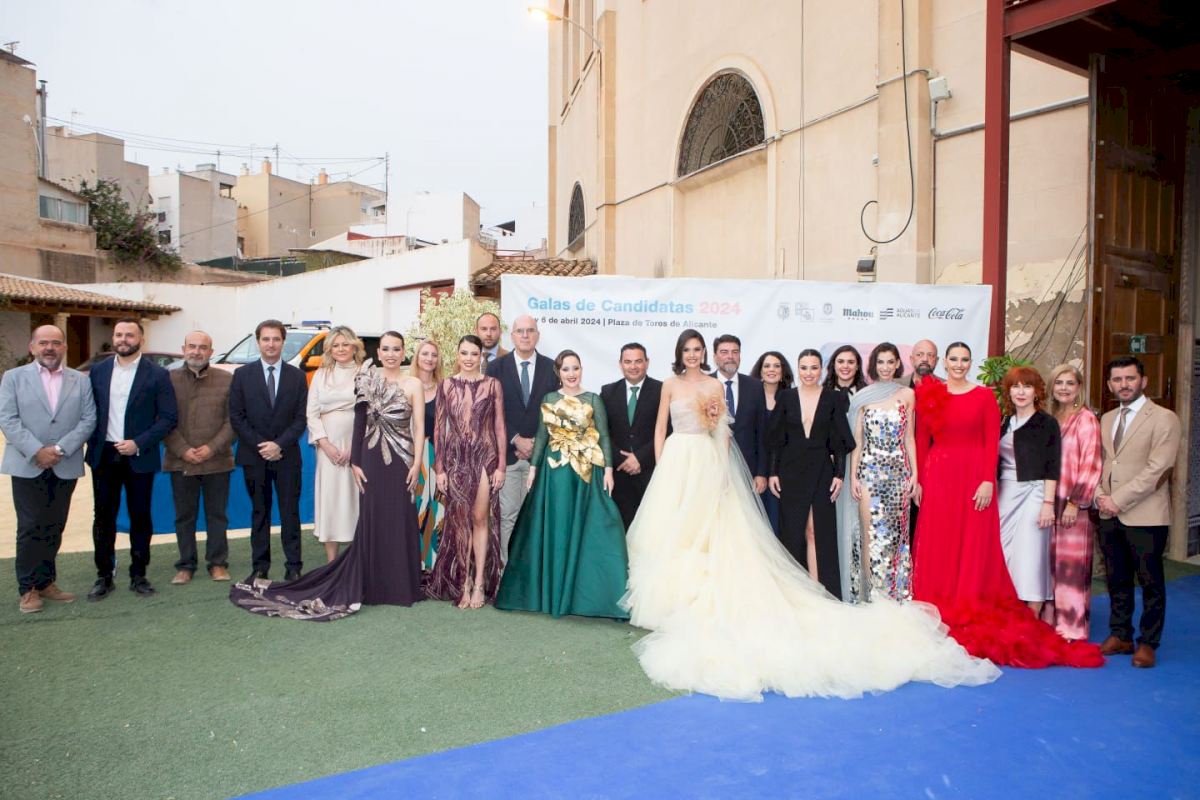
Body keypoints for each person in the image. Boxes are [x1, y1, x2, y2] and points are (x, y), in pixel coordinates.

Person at [621, 329, 999, 702]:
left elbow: (727, 433)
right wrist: (664, 465)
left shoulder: (722, 388)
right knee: (676, 531)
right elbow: (662, 428)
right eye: (687, 349)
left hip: (726, 465)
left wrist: (726, 469)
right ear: (680, 353)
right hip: (679, 464)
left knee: (719, 532)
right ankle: (675, 603)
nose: (692, 354)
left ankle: (803, 593)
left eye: (696, 349)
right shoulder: (671, 385)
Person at [911, 342, 1102, 668]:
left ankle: (977, 599)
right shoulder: (930, 393)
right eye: (953, 359)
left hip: (975, 477)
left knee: (975, 542)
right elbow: (921, 439)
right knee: (940, 540)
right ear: (944, 362)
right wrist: (919, 479)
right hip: (938, 475)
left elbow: (990, 442)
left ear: (971, 362)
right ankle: (938, 603)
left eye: (965, 359)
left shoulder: (984, 396)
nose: (959, 364)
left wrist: (987, 479)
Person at [230, 331, 426, 619]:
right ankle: (373, 582)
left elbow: (418, 426)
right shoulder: (366, 378)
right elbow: (359, 419)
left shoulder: (410, 383)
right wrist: (356, 460)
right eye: (386, 349)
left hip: (402, 458)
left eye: (396, 349)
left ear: (404, 351)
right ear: (379, 352)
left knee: (400, 515)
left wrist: (417, 462)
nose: (391, 354)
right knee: (370, 517)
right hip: (368, 457)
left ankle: (402, 583)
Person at [496, 350, 629, 619]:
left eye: (575, 368)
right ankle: (552, 592)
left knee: (587, 525)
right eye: (566, 369)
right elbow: (542, 436)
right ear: (559, 372)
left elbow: (603, 436)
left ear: (581, 370)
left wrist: (608, 471)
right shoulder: (549, 399)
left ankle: (582, 594)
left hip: (585, 474)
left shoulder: (593, 399)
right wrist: (534, 469)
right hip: (553, 473)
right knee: (554, 527)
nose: (571, 373)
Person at [1, 325, 96, 613]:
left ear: (64, 347)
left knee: (55, 524)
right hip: (27, 463)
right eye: (43, 343)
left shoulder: (80, 380)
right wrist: (36, 451)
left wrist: (59, 450)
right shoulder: (13, 378)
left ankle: (45, 581)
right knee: (30, 526)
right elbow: (8, 419)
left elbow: (88, 419)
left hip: (64, 463)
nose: (49, 348)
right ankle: (28, 589)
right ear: (32, 347)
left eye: (56, 342)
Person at [1095, 356, 1181, 669]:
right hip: (1108, 513)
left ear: (1143, 381)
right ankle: (1121, 634)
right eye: (1117, 380)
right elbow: (1101, 463)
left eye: (1130, 378)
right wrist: (1099, 494)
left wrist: (1118, 499)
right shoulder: (1107, 419)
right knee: (1116, 578)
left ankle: (1147, 642)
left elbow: (1159, 469)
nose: (1124, 384)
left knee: (1150, 582)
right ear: (1110, 385)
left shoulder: (1164, 418)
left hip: (1145, 514)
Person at [86, 318, 178, 600]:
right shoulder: (98, 371)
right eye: (119, 334)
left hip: (139, 454)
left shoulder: (158, 375)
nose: (123, 339)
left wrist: (138, 442)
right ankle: (104, 575)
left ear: (141, 340)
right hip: (104, 455)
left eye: (129, 335)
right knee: (103, 517)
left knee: (140, 516)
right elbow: (88, 412)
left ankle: (139, 574)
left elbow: (168, 418)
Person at [767, 349, 854, 598]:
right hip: (791, 471)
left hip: (822, 471)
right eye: (804, 367)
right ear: (797, 369)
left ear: (822, 370)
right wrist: (773, 472)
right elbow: (776, 439)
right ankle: (796, 593)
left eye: (814, 367)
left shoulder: (833, 398)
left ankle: (819, 592)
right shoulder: (786, 396)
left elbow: (840, 441)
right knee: (793, 532)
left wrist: (839, 474)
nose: (808, 373)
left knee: (817, 531)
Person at [429, 335, 507, 608]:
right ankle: (464, 582)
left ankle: (480, 583)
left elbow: (500, 427)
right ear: (457, 354)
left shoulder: (493, 385)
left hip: (484, 458)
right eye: (464, 353)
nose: (469, 358)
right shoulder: (446, 385)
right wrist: (440, 468)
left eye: (474, 353)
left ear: (481, 356)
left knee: (479, 518)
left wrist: (501, 466)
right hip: (456, 461)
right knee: (460, 522)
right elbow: (439, 429)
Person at [229, 320, 308, 583]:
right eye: (266, 339)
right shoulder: (242, 375)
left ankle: (293, 566)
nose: (271, 344)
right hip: (255, 456)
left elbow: (301, 418)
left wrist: (279, 445)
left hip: (287, 457)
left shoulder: (297, 376)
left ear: (283, 342)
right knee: (260, 513)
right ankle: (260, 567)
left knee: (290, 512)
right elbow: (237, 417)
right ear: (258, 342)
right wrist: (262, 446)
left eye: (276, 339)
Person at [843, 342, 916, 603]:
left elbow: (909, 438)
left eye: (890, 362)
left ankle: (894, 596)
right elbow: (857, 441)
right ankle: (871, 597)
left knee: (895, 536)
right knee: (870, 535)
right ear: (874, 365)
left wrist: (915, 475)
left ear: (898, 364)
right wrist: (853, 476)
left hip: (899, 475)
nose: (885, 367)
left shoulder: (907, 394)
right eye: (880, 362)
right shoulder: (863, 396)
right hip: (868, 474)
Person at [163, 330, 235, 585]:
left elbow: (233, 421)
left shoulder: (226, 380)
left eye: (203, 347)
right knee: (184, 516)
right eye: (192, 346)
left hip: (217, 460)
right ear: (183, 349)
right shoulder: (168, 380)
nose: (197, 351)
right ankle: (186, 565)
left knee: (217, 515)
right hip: (180, 460)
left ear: (211, 352)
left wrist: (211, 448)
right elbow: (162, 419)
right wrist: (183, 449)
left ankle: (217, 563)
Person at [486, 316, 559, 562]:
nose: (525, 335)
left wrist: (536, 443)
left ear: (538, 335)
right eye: (520, 331)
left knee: (539, 517)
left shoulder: (553, 368)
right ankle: (509, 572)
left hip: (540, 458)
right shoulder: (496, 368)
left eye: (530, 331)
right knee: (508, 517)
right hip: (507, 456)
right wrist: (516, 439)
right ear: (512, 336)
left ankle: (533, 571)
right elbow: (491, 411)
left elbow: (555, 411)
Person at [997, 366, 1061, 617]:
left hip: (1035, 494)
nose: (1021, 392)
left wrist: (1048, 503)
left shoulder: (1047, 423)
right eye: (1015, 386)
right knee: (1003, 552)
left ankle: (1033, 616)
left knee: (1032, 554)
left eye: (1027, 386)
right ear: (1009, 391)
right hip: (1005, 493)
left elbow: (1053, 466)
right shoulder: (1004, 422)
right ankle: (1007, 610)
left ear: (1037, 392)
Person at [1044, 363, 1102, 641]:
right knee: (1048, 565)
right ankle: (1048, 621)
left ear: (1079, 387)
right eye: (1059, 383)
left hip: (1072, 505)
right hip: (1048, 502)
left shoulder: (1086, 419)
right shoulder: (1049, 418)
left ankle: (1071, 627)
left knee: (1071, 568)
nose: (1064, 388)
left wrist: (1075, 502)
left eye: (1070, 383)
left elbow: (1091, 464)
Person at [306, 325, 363, 563]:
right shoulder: (321, 374)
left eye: (345, 344)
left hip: (357, 446)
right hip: (327, 448)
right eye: (336, 345)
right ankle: (332, 563)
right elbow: (311, 413)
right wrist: (326, 445)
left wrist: (354, 447)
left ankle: (357, 560)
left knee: (355, 499)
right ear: (329, 349)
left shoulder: (365, 373)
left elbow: (371, 412)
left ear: (354, 347)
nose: (341, 349)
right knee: (330, 499)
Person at [600, 343, 663, 530]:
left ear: (647, 363)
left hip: (651, 473)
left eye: (638, 361)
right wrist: (621, 460)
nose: (633, 366)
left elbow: (667, 430)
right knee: (620, 531)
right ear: (620, 364)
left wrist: (640, 458)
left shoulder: (662, 390)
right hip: (618, 476)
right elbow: (601, 432)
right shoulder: (607, 392)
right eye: (628, 362)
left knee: (651, 528)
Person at [712, 334, 768, 493]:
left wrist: (761, 472)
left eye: (735, 352)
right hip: (712, 465)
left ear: (740, 356)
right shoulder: (704, 384)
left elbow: (762, 432)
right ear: (715, 357)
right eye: (724, 352)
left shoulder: (755, 386)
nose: (730, 356)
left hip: (747, 469)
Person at [410, 339, 444, 569]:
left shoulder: (445, 388)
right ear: (417, 357)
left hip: (437, 458)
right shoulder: (405, 385)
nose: (429, 358)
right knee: (413, 510)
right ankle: (413, 566)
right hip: (411, 456)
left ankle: (434, 567)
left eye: (433, 354)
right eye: (425, 354)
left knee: (436, 511)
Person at [749, 351, 792, 534]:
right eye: (767, 366)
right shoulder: (750, 397)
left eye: (776, 366)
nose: (771, 370)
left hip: (783, 470)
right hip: (755, 469)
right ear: (760, 371)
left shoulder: (791, 398)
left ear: (783, 371)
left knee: (779, 521)